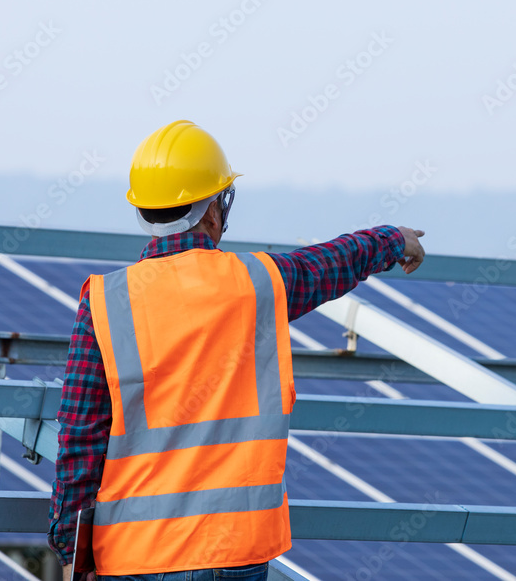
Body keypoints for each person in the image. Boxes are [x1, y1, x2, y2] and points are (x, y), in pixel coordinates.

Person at [48, 120, 425, 580]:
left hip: (136, 555)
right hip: (236, 552)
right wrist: (390, 240)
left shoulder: (105, 301)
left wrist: (73, 548)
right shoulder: (259, 283)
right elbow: (329, 263)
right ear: (212, 213)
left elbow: (80, 435)